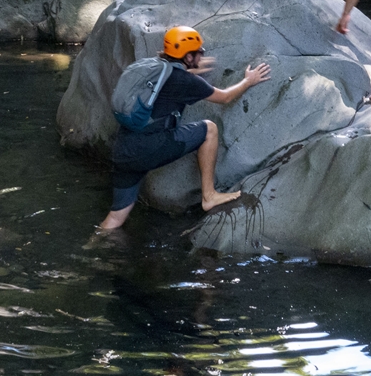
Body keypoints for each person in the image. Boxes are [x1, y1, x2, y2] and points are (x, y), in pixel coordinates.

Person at [99, 26, 270, 230]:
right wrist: (248, 81)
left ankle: (92, 248)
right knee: (210, 129)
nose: (202, 56)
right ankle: (209, 195)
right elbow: (225, 97)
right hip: (151, 146)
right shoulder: (185, 81)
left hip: (124, 150)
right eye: (199, 53)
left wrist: (195, 70)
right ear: (188, 57)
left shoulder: (156, 68)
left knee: (116, 218)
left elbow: (174, 82)